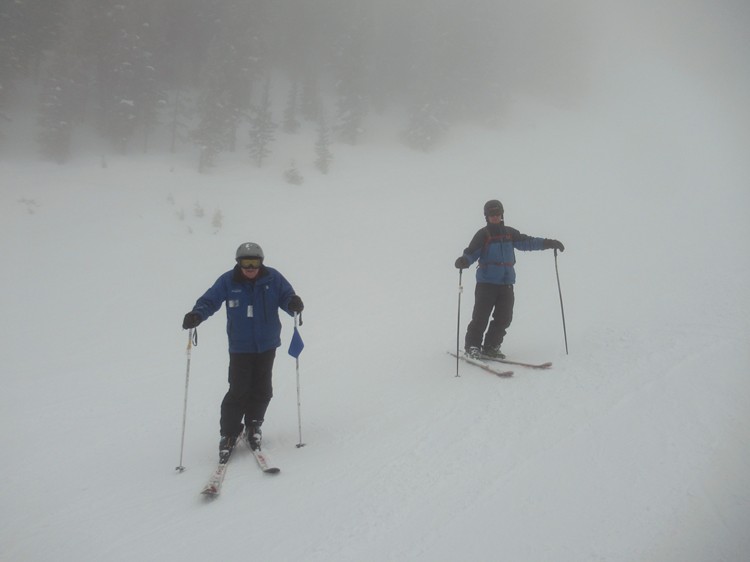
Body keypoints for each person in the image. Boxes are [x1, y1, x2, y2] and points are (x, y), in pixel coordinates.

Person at [182, 242, 304, 461]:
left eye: (254, 263)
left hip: (267, 345)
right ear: (238, 263)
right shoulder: (228, 281)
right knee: (238, 390)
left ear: (261, 262)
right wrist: (197, 314)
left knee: (263, 389)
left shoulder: (273, 278)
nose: (250, 268)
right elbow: (210, 300)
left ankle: (253, 426)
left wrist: (293, 303)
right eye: (245, 263)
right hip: (240, 347)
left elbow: (287, 296)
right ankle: (229, 434)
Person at [454, 200, 564, 360]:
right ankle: (472, 346)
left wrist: (548, 243)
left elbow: (528, 242)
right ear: (486, 216)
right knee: (480, 317)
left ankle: (491, 346)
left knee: (504, 317)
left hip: (506, 284)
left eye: (497, 213)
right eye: (491, 214)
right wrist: (464, 261)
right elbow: (471, 252)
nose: (495, 217)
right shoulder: (483, 234)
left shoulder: (509, 233)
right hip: (486, 284)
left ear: (502, 214)